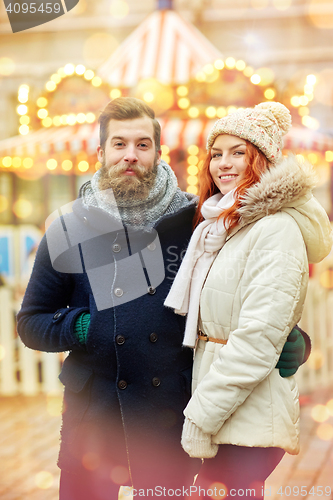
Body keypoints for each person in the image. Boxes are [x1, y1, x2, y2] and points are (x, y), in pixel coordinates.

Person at [17, 98, 310, 500]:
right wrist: (86, 327)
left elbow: (246, 292)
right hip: (94, 411)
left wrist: (292, 338)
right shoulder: (70, 225)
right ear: (101, 152)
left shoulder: (198, 218)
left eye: (142, 144)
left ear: (158, 151)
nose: (130, 156)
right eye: (119, 144)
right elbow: (31, 322)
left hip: (168, 409)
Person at [165, 101, 333, 500]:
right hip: (227, 405)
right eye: (217, 154)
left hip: (247, 411)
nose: (223, 163)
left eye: (238, 153)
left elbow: (257, 338)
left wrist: (201, 415)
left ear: (261, 161)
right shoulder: (223, 227)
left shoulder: (274, 230)